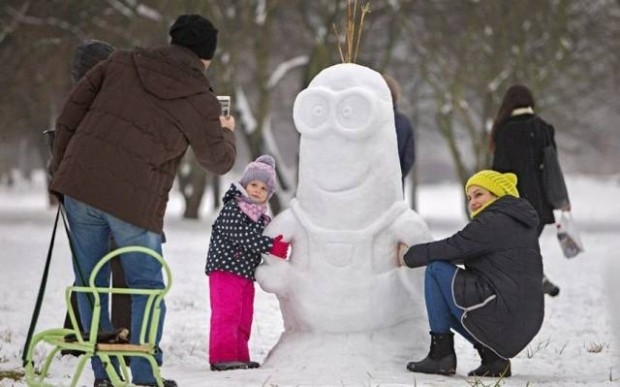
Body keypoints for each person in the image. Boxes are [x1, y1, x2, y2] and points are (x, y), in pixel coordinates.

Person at [49, 14, 237, 387]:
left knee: (90, 283)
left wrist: (62, 170)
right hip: (134, 203)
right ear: (207, 56)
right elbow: (218, 161)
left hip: (81, 188)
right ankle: (144, 375)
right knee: (145, 286)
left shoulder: (121, 62)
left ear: (172, 40)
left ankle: (103, 374)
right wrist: (225, 131)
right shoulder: (201, 97)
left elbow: (72, 112)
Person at [399, 170, 544, 377]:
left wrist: (408, 256)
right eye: (469, 197)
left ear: (497, 195)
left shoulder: (493, 221)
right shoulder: (516, 221)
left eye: (479, 194)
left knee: (435, 270)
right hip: (524, 320)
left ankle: (441, 356)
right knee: (444, 293)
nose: (473, 202)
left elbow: (453, 247)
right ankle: (493, 359)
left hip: (504, 315)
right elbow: (463, 250)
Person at [205, 155, 290, 371]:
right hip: (225, 269)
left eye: (263, 188)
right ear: (244, 184)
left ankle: (239, 356)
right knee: (227, 313)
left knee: (243, 316)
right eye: (253, 184)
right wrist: (270, 245)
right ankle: (222, 357)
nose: (257, 190)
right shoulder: (234, 207)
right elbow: (240, 235)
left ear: (268, 194)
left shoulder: (261, 217)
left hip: (244, 274)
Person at [490, 84, 570, 297]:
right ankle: (536, 279)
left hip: (515, 199)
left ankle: (531, 282)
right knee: (526, 245)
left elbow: (499, 171)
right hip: (541, 201)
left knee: (519, 246)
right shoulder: (544, 128)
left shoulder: (504, 131)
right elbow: (552, 167)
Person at [383, 75, 415, 186]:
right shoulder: (404, 122)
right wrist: (397, 176)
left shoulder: (366, 122)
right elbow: (409, 158)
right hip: (395, 187)